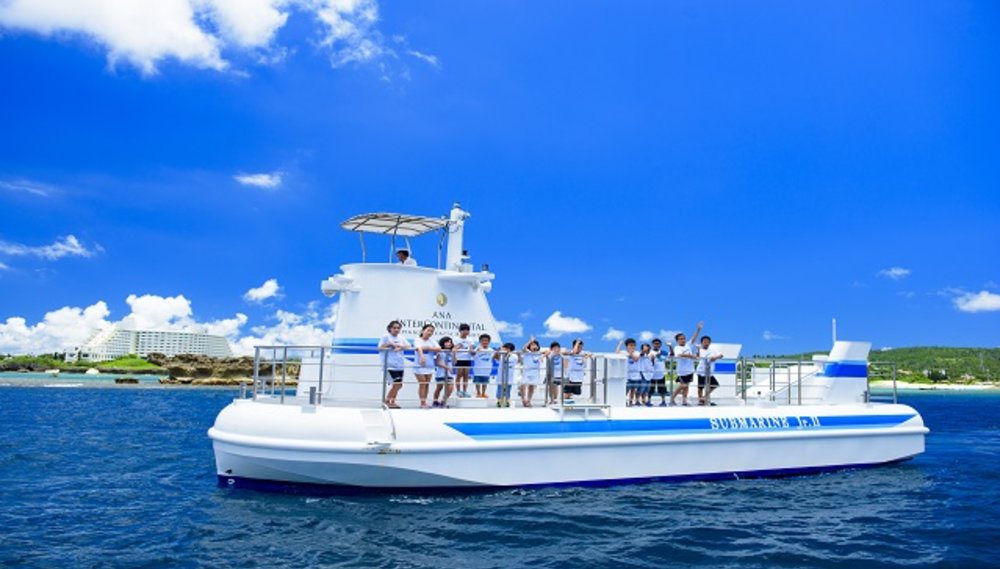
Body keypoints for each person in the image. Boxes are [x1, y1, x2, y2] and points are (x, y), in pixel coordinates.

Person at [669, 321, 703, 406]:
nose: (683, 340)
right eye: (681, 339)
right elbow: (679, 355)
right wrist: (690, 356)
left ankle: (684, 401)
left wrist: (698, 329)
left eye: (684, 338)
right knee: (682, 385)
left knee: (687, 386)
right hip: (682, 371)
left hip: (690, 370)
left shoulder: (688, 345)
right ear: (677, 341)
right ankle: (672, 398)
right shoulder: (677, 347)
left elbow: (694, 338)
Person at [379, 320, 411, 408]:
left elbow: (409, 346)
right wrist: (389, 344)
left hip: (399, 365)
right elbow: (380, 348)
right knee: (396, 384)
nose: (396, 330)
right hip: (389, 365)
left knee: (399, 385)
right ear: (390, 328)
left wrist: (401, 347)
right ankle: (387, 401)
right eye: (394, 328)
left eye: (398, 328)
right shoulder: (386, 337)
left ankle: (392, 401)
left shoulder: (401, 337)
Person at [413, 323, 438, 409]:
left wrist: (429, 348)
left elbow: (438, 348)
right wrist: (422, 356)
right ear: (423, 331)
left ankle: (425, 402)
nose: (430, 332)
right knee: (422, 383)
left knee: (427, 384)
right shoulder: (418, 340)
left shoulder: (432, 341)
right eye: (428, 330)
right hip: (419, 365)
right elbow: (419, 348)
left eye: (432, 331)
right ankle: (422, 402)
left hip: (430, 365)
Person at [695, 335, 724, 406]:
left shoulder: (713, 350)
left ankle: (703, 398)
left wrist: (715, 357)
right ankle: (700, 401)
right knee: (700, 387)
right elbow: (698, 357)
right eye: (704, 342)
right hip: (701, 371)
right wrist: (698, 349)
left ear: (710, 342)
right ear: (701, 342)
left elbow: (721, 355)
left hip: (710, 372)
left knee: (714, 385)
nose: (706, 343)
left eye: (708, 342)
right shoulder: (700, 350)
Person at [616, 338, 641, 406]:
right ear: (627, 346)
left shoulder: (637, 352)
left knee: (633, 390)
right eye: (630, 345)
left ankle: (630, 402)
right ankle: (623, 401)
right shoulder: (624, 352)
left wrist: (630, 353)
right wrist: (619, 344)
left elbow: (636, 359)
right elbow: (617, 353)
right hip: (626, 375)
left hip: (635, 375)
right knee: (626, 390)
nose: (632, 346)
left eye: (634, 345)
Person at [564, 339, 590, 404]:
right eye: (578, 347)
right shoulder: (571, 353)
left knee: (576, 392)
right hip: (570, 377)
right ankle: (565, 403)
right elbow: (574, 352)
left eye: (581, 347)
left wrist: (587, 356)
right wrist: (577, 342)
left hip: (579, 377)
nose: (580, 349)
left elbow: (590, 354)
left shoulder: (582, 354)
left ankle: (569, 401)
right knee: (567, 392)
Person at [520, 337, 543, 407]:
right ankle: (523, 400)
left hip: (535, 373)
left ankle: (529, 400)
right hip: (526, 372)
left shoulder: (539, 353)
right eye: (532, 345)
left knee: (531, 387)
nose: (534, 346)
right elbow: (523, 348)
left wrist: (543, 356)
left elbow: (547, 352)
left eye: (535, 345)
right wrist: (530, 341)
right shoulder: (527, 352)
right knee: (523, 386)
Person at [433, 336, 455, 408]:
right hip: (441, 373)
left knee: (450, 387)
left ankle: (443, 401)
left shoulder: (451, 352)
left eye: (450, 342)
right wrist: (447, 367)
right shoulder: (440, 352)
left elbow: (454, 362)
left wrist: (454, 353)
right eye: (447, 342)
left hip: (449, 374)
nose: (449, 343)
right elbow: (438, 362)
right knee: (439, 387)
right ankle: (435, 401)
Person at [495, 342, 518, 407]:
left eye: (507, 348)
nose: (505, 350)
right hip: (501, 376)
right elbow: (495, 358)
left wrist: (508, 354)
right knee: (500, 389)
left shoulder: (514, 356)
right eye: (504, 348)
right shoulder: (501, 355)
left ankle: (507, 401)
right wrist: (498, 351)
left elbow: (518, 359)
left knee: (508, 389)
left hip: (509, 376)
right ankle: (499, 401)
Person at [472, 333, 494, 399]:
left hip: (487, 370)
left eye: (486, 340)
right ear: (480, 341)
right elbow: (472, 354)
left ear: (489, 341)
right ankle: (478, 393)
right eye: (483, 340)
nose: (485, 342)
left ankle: (483, 393)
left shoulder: (491, 350)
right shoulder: (477, 349)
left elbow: (494, 358)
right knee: (477, 382)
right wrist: (476, 351)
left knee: (485, 382)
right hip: (477, 369)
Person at [453, 323, 473, 397]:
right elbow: (453, 349)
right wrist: (458, 348)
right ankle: (458, 391)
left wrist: (472, 350)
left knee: (466, 375)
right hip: (459, 359)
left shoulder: (470, 339)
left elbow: (471, 349)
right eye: (464, 330)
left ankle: (465, 391)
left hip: (467, 359)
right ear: (460, 331)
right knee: (459, 375)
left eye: (467, 330)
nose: (466, 331)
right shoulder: (455, 339)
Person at [651, 338, 671, 407]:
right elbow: (650, 363)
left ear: (660, 345)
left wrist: (670, 346)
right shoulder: (650, 352)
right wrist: (654, 358)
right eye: (655, 344)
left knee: (662, 389)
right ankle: (648, 401)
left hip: (661, 374)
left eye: (658, 344)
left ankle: (663, 401)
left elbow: (672, 354)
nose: (657, 345)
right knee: (651, 389)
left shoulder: (664, 352)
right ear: (652, 344)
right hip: (651, 374)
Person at [638, 343, 655, 407]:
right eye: (644, 347)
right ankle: (637, 401)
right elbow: (641, 354)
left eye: (647, 346)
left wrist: (653, 359)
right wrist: (643, 351)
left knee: (647, 389)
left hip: (650, 374)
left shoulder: (651, 354)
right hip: (643, 373)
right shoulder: (641, 354)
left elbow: (652, 363)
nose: (646, 348)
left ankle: (644, 401)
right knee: (641, 388)